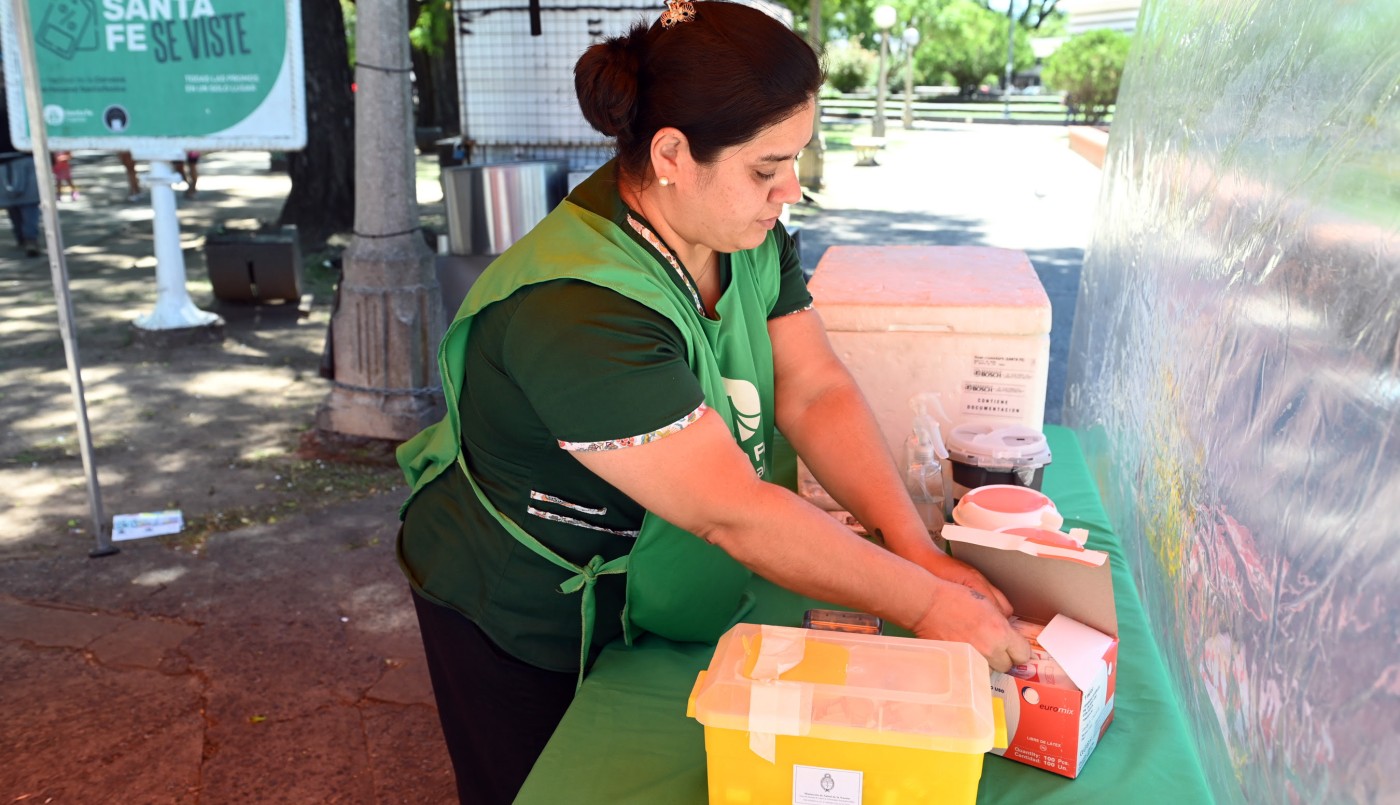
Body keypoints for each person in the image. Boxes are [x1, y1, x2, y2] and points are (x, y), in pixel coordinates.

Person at [395, 2, 1031, 802]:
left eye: (796, 158)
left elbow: (815, 386)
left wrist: (915, 545)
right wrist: (930, 602)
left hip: (655, 568)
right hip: (520, 603)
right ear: (671, 154)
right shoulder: (578, 309)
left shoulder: (740, 229)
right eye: (767, 169)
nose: (789, 190)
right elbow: (732, 510)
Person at [0, 88, 41, 256]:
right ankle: (29, 237)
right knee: (29, 203)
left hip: (7, 159)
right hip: (23, 156)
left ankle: (23, 236)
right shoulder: (21, 98)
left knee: (13, 204)